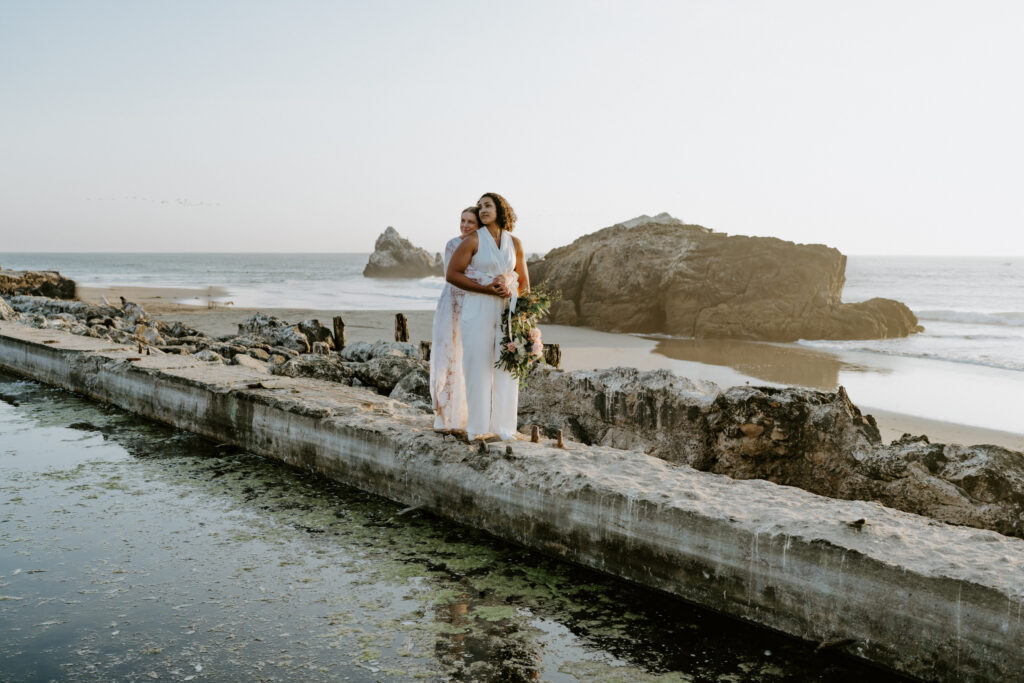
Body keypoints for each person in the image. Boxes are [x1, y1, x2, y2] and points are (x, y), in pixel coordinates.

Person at [445, 193, 530, 440]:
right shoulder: (472, 240)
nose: (482, 210)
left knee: (506, 366)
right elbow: (452, 274)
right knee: (477, 367)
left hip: (507, 311)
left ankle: (504, 429)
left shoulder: (515, 243)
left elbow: (524, 283)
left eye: (488, 205)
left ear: (500, 209)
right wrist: (486, 289)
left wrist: (519, 310)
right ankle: (478, 428)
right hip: (478, 308)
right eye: (480, 206)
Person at [430, 206, 488, 431]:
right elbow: (459, 273)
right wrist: (495, 279)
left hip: (474, 305)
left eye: (470, 222)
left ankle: (468, 415)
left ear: (479, 225)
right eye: (462, 220)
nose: (465, 225)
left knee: (470, 359)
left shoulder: (482, 248)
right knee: (449, 355)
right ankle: (446, 416)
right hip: (452, 305)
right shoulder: (453, 244)